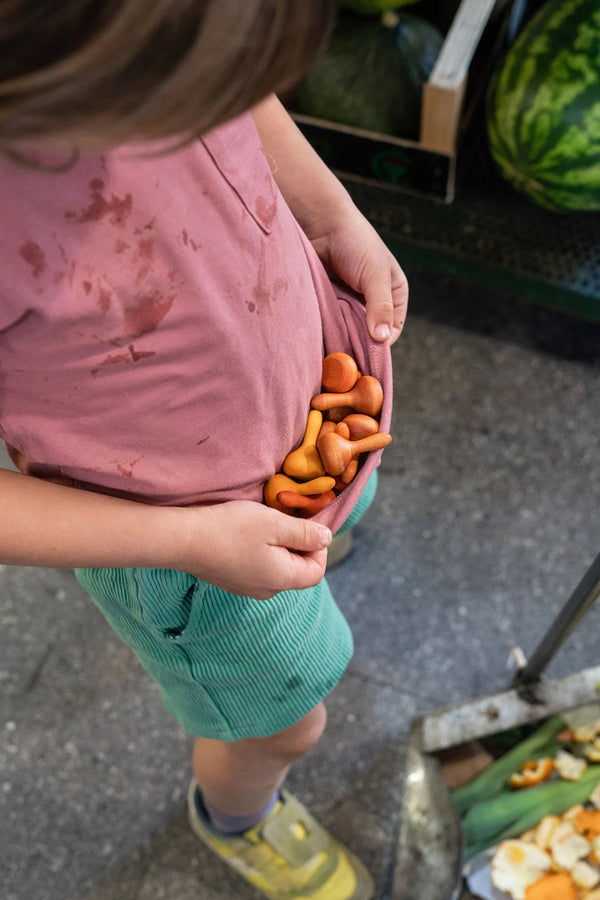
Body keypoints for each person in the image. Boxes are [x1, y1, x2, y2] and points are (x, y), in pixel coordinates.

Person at [0, 2, 408, 898]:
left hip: (304, 402)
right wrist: (189, 544)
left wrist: (332, 214)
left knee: (341, 517)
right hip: (186, 547)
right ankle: (238, 817)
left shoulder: (164, 37)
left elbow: (239, 91)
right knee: (280, 727)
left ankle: (322, 548)